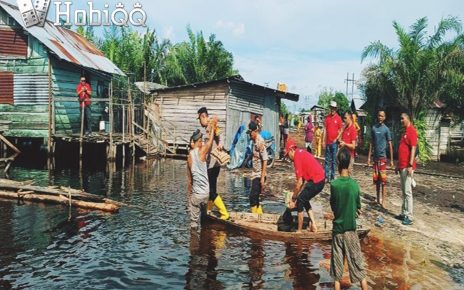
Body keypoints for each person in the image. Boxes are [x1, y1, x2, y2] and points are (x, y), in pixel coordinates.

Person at [330, 147, 368, 290]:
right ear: (350, 163)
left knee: (337, 272)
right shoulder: (354, 185)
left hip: (338, 232)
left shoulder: (334, 185)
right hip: (351, 232)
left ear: (338, 162)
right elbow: (358, 209)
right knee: (359, 268)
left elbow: (334, 208)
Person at [285, 139, 325, 233]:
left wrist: (293, 198)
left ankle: (299, 230)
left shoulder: (297, 158)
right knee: (304, 198)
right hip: (320, 179)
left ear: (291, 150)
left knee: (300, 201)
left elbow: (299, 183)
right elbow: (302, 180)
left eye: (287, 155)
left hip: (317, 180)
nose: (288, 158)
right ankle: (313, 225)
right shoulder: (300, 153)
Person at [197, 107, 229, 220]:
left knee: (212, 191)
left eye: (199, 119)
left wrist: (220, 144)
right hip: (210, 164)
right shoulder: (207, 127)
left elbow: (220, 135)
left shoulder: (211, 124)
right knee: (211, 189)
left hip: (213, 164)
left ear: (203, 116)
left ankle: (225, 214)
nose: (199, 122)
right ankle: (208, 211)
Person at [187, 122, 217, 229]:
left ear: (193, 142)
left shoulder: (189, 157)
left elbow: (190, 180)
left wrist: (189, 194)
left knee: (194, 224)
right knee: (204, 218)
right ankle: (204, 240)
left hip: (196, 195)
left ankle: (194, 242)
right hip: (205, 194)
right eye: (201, 141)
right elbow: (210, 142)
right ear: (199, 142)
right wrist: (213, 129)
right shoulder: (202, 151)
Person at [367, 109, 394, 208]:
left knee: (383, 181)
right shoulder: (374, 128)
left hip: (383, 158)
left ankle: (383, 201)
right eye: (379, 115)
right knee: (376, 180)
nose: (380, 117)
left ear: (385, 117)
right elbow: (371, 143)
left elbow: (390, 144)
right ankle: (378, 200)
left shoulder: (386, 129)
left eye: (382, 116)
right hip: (375, 159)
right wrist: (369, 158)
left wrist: (391, 160)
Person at [395, 113, 418, 226]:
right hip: (402, 166)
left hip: (407, 167)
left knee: (408, 192)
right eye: (400, 118)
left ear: (407, 119)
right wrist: (398, 165)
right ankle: (403, 213)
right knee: (404, 191)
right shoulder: (404, 132)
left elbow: (413, 148)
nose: (401, 120)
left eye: (402, 118)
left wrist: (410, 164)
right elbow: (402, 149)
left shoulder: (412, 131)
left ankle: (409, 216)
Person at [247, 121, 268, 214]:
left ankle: (254, 216)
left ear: (255, 131)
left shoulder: (260, 142)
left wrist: (263, 177)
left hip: (259, 174)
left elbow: (265, 159)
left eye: (250, 133)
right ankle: (259, 215)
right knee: (255, 197)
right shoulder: (253, 141)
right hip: (255, 173)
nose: (249, 135)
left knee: (252, 197)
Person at [323, 101, 343, 182]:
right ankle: (326, 176)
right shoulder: (327, 118)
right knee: (327, 160)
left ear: (336, 109)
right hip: (327, 142)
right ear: (330, 108)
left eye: (334, 108)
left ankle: (332, 176)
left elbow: (341, 129)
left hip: (334, 143)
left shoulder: (338, 118)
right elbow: (325, 130)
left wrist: (337, 138)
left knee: (334, 160)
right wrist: (323, 141)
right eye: (331, 108)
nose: (332, 109)